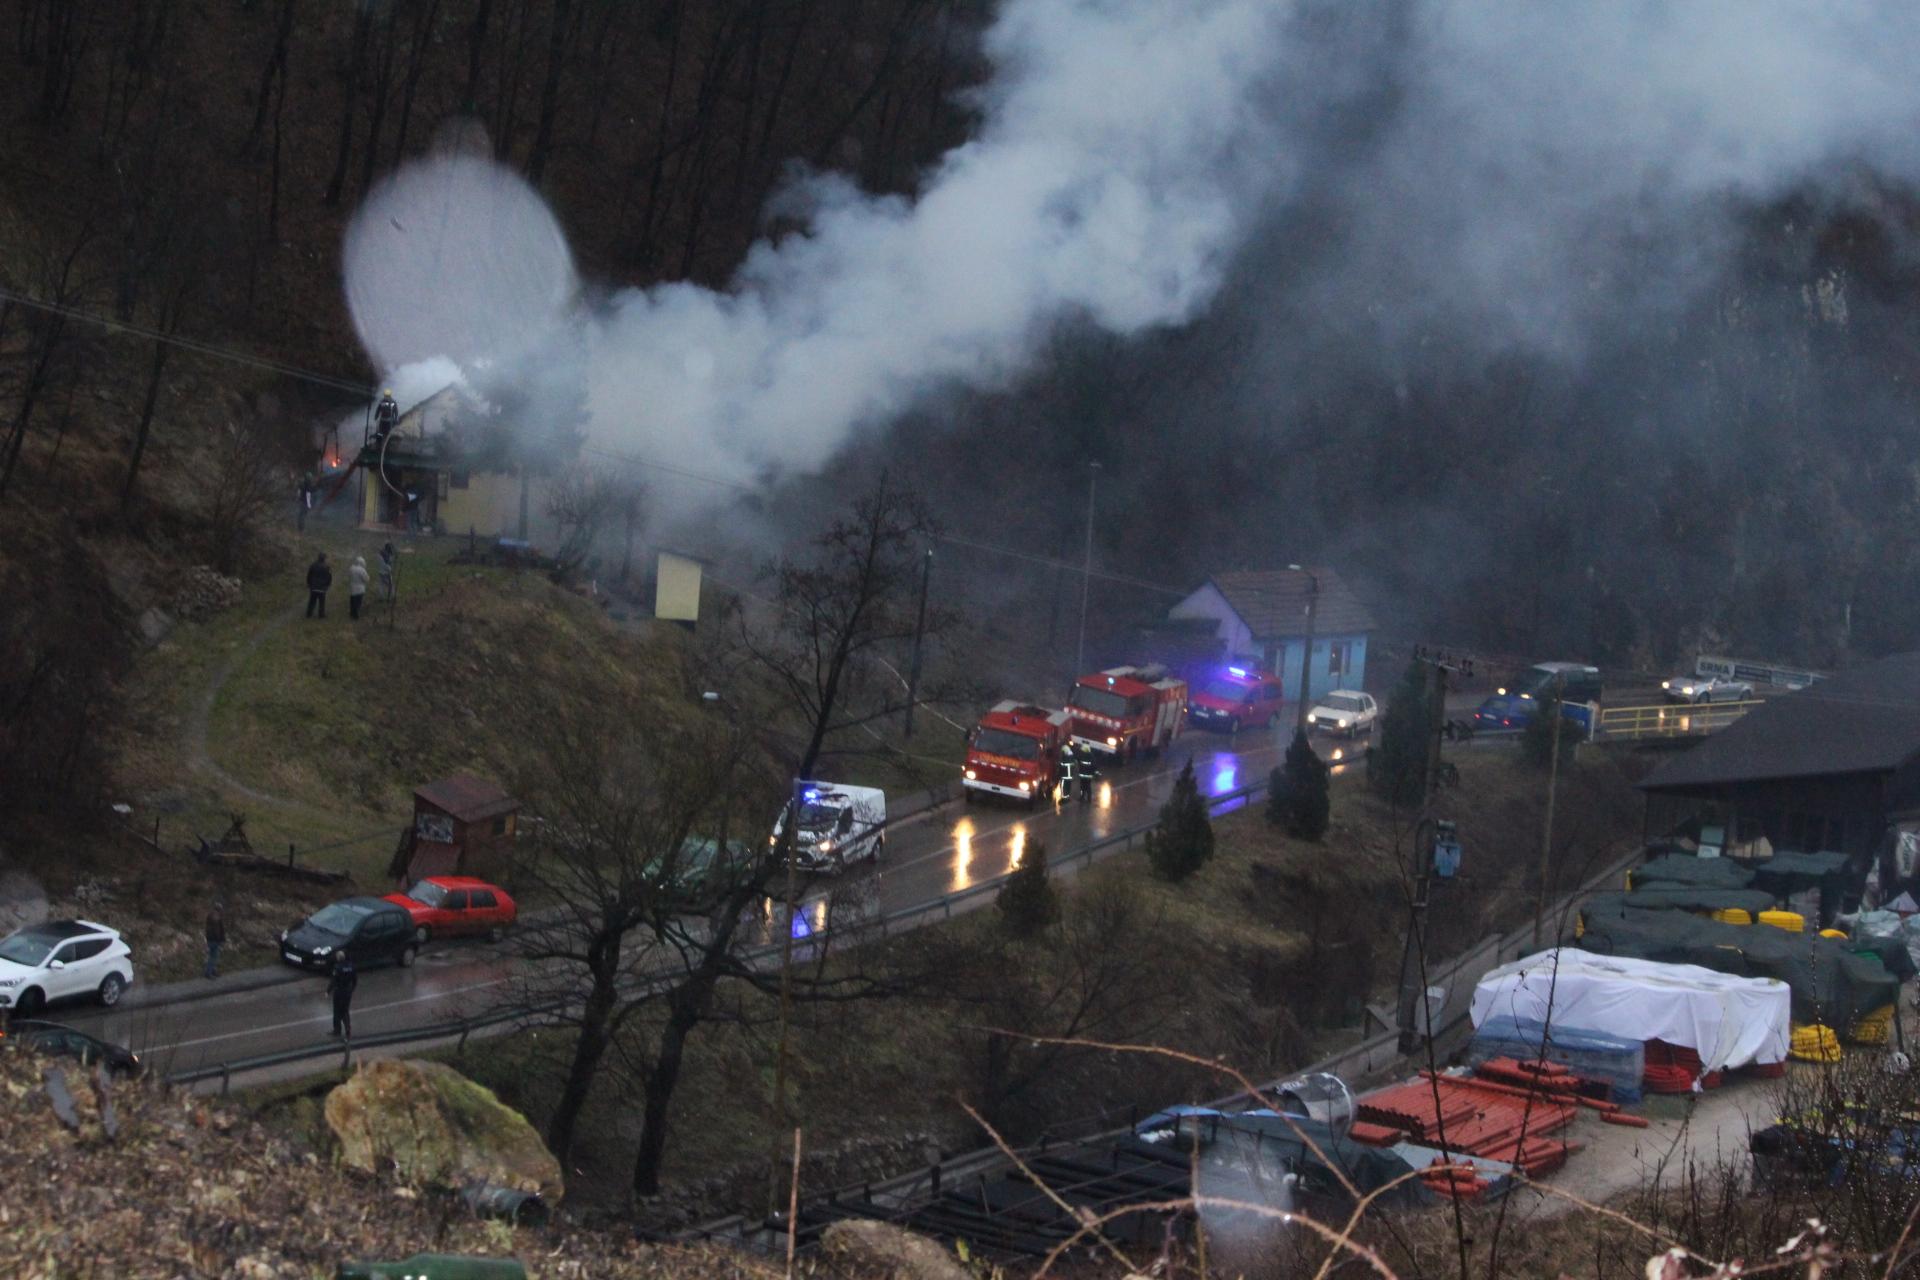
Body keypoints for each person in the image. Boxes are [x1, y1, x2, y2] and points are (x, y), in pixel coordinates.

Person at [328, 953, 357, 1038]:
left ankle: (337, 1030)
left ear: (338, 958)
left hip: (339, 991)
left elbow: (333, 981)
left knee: (337, 1011)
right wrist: (352, 989)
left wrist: (328, 991)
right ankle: (347, 1028)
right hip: (347, 991)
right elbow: (355, 980)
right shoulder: (351, 967)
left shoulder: (337, 968)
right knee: (345, 1010)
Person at [305, 552, 332, 619]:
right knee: (321, 602)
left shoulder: (313, 565)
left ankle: (309, 614)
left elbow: (309, 575)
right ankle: (321, 615)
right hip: (322, 588)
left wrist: (309, 583)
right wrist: (328, 585)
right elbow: (329, 577)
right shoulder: (326, 567)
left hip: (313, 586)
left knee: (312, 601)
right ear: (324, 559)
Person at [203, 903, 226, 980]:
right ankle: (208, 972)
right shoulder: (215, 917)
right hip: (214, 940)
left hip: (211, 940)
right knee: (214, 957)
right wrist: (220, 940)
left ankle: (213, 971)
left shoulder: (211, 916)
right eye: (221, 910)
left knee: (213, 956)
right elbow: (217, 931)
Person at [348, 555, 369, 620]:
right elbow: (366, 579)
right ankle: (356, 615)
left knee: (352, 601)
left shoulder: (351, 568)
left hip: (352, 587)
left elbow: (349, 576)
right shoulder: (362, 570)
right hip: (360, 588)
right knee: (358, 602)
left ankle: (351, 612)